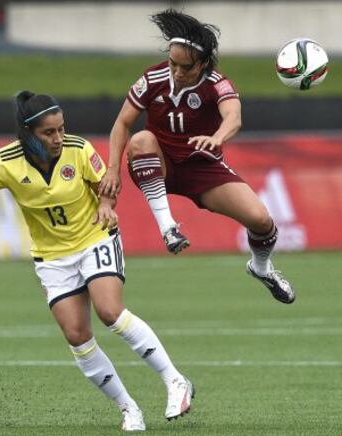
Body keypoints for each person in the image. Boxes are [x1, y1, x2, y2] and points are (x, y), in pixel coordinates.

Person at [0, 90, 194, 432]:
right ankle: (129, 409)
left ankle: (175, 380)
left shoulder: (78, 150)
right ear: (27, 133)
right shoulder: (5, 162)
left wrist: (106, 206)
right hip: (52, 258)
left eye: (61, 129)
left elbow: (106, 186)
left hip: (95, 238)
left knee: (109, 311)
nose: (57, 138)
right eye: (48, 133)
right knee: (77, 335)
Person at [99, 9, 295, 305]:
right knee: (140, 140)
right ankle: (168, 228)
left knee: (262, 221)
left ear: (202, 63)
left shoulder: (217, 83)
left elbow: (233, 117)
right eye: (172, 63)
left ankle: (261, 268)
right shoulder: (153, 79)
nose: (177, 72)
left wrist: (217, 138)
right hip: (158, 162)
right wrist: (113, 169)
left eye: (185, 67)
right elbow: (122, 124)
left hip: (201, 167)